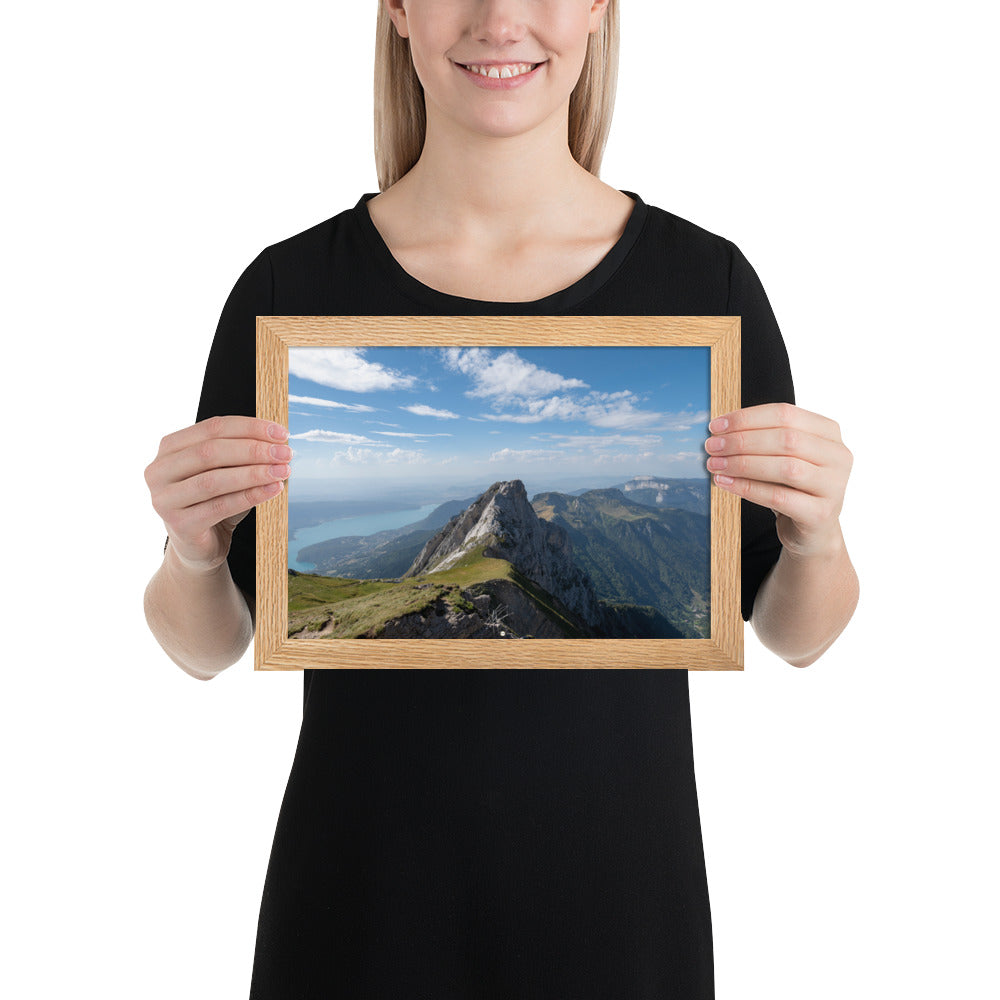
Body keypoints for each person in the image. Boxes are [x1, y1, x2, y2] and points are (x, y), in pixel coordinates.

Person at [144, 1, 859, 996]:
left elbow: (797, 632)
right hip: (361, 909)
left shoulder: (705, 282)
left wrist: (816, 535)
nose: (500, 17)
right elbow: (205, 644)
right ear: (397, 9)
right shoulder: (288, 286)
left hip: (619, 912)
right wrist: (188, 549)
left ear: (601, 9)